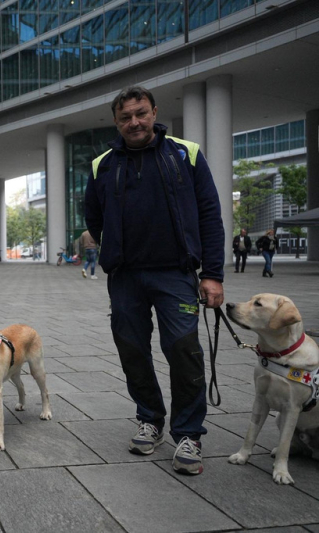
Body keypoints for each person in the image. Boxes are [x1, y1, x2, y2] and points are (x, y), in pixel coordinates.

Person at [84, 86, 224, 476]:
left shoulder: (185, 154)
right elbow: (93, 218)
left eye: (141, 113)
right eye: (126, 117)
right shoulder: (102, 165)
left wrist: (212, 274)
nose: (134, 122)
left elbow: (210, 216)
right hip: (125, 277)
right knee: (131, 350)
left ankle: (189, 433)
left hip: (175, 274)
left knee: (183, 350)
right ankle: (149, 417)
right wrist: (115, 245)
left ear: (154, 112)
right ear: (116, 121)